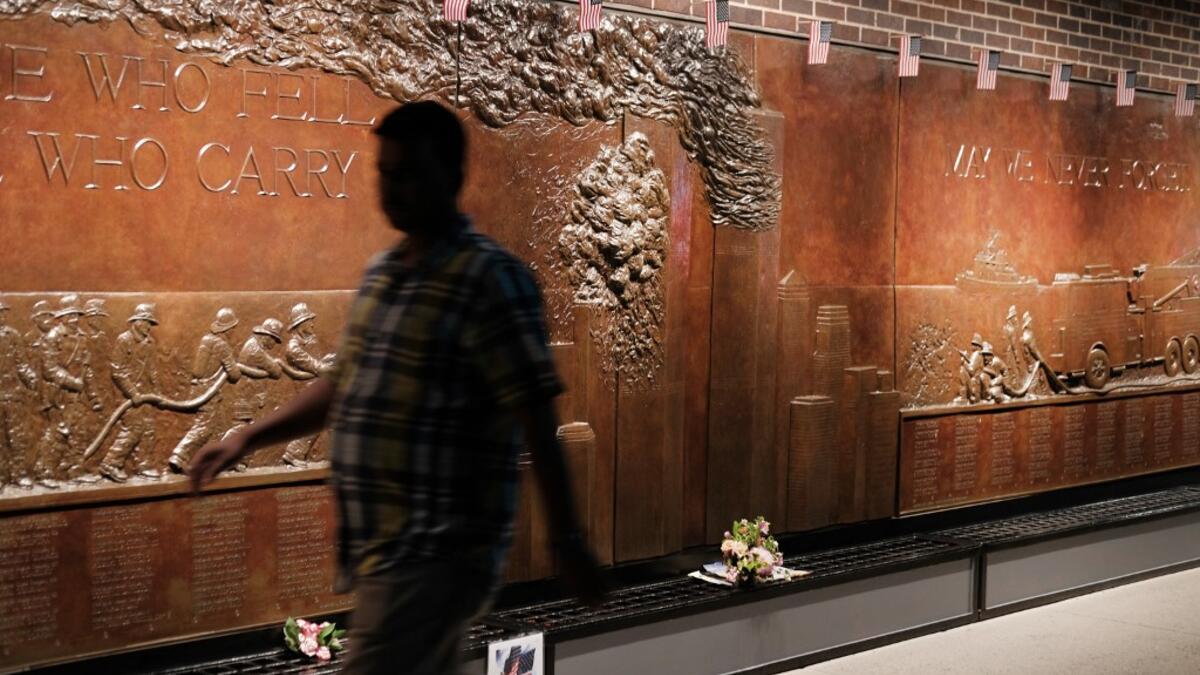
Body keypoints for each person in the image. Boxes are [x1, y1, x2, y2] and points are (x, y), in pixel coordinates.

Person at [188, 101, 604, 674]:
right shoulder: (384, 276)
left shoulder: (490, 281)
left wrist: (568, 538)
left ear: (452, 177)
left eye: (409, 174)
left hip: (437, 553)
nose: (393, 189)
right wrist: (245, 438)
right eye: (385, 173)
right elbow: (341, 387)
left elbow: (536, 415)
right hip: (383, 553)